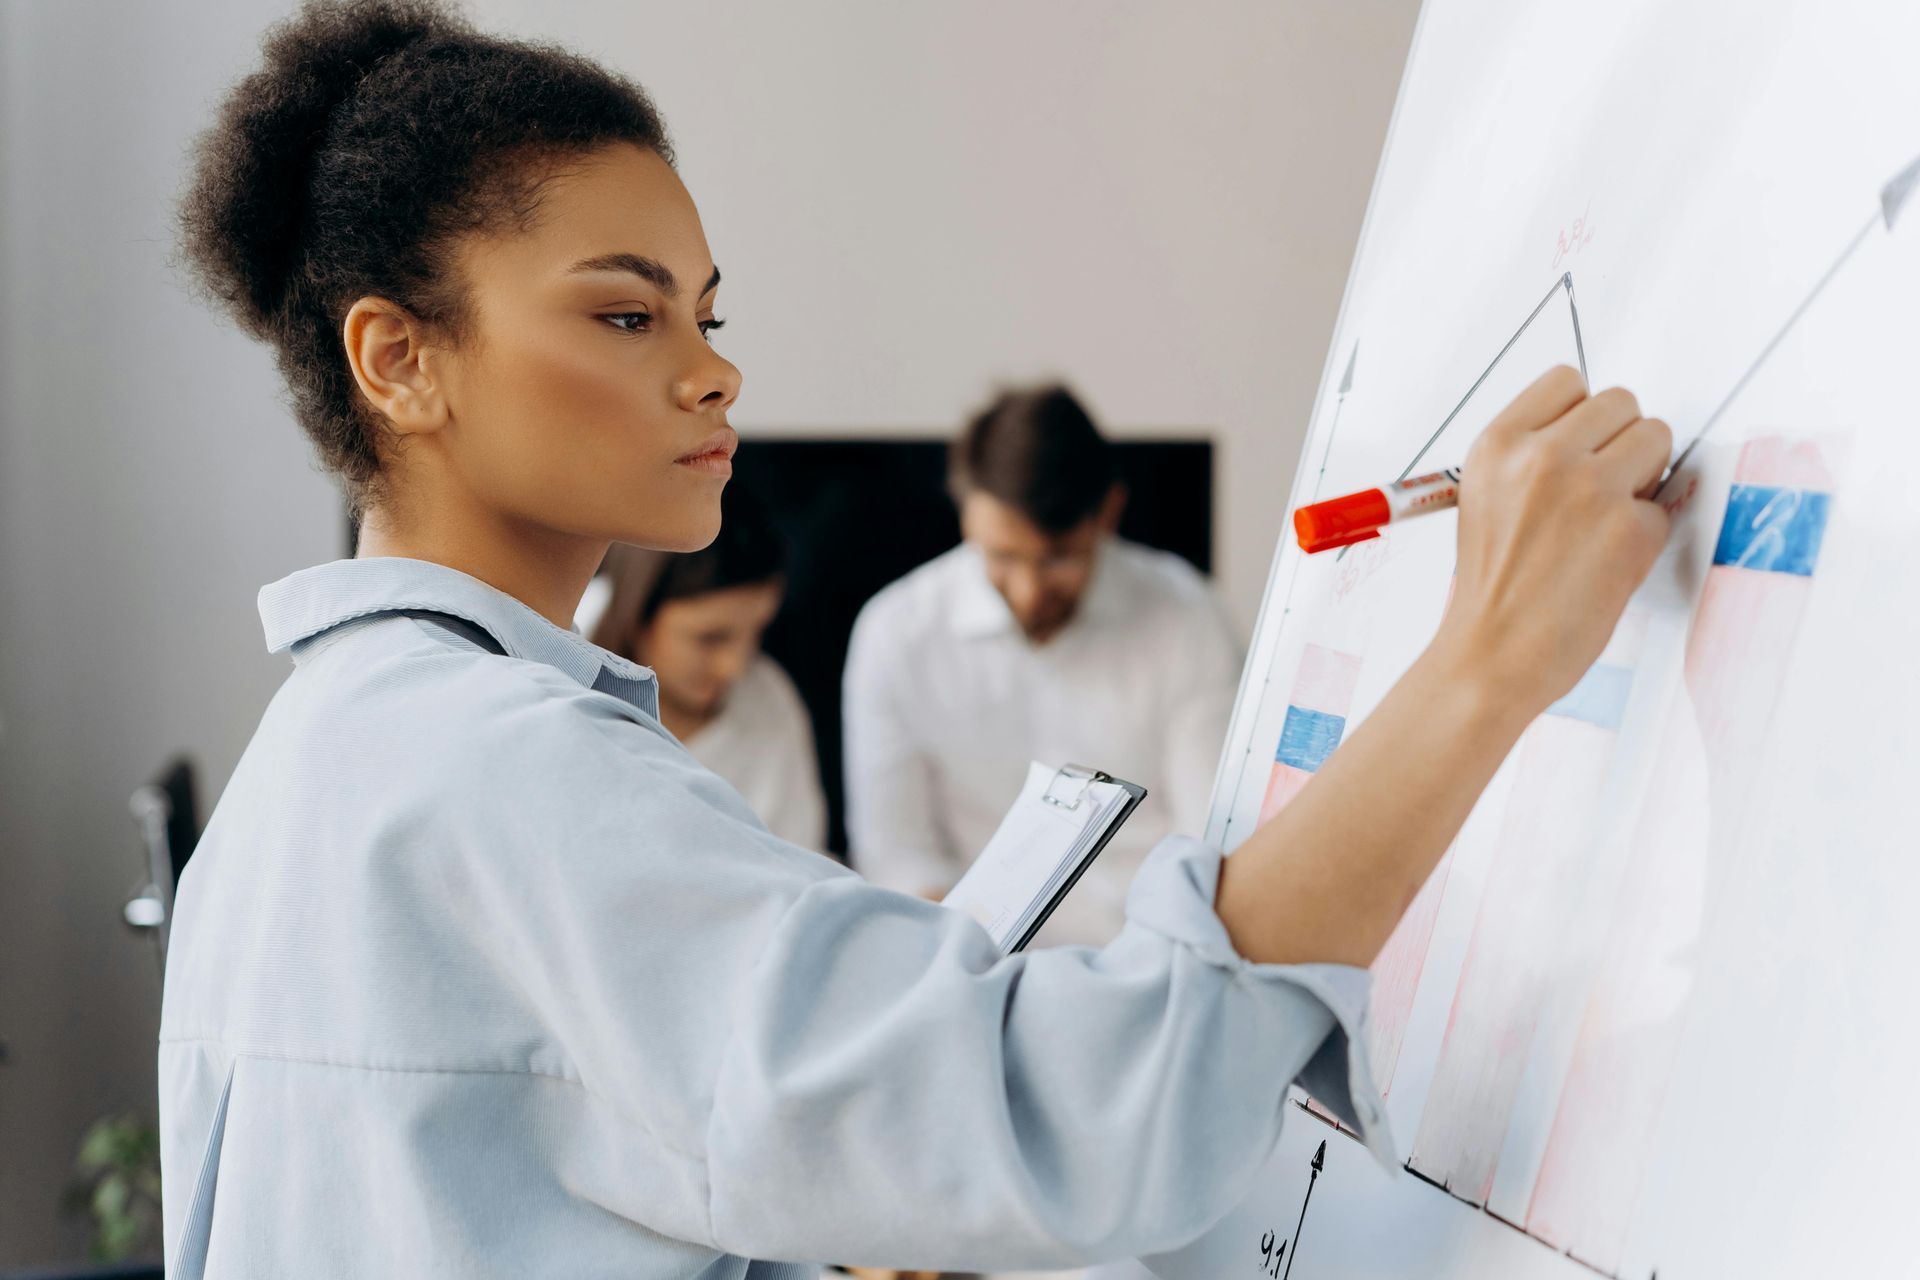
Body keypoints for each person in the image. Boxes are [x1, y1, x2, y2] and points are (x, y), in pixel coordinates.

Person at [157, 2, 1673, 1277]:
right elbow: (1091, 1114)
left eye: (708, 315)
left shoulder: (307, 774)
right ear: (399, 359)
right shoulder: (510, 777)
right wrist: (1485, 660)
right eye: (628, 319)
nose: (711, 375)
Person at [843, 385, 1241, 945]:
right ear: (967, 514)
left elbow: (1210, 834)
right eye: (1003, 556)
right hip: (972, 965)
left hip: (1151, 955)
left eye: (1057, 559)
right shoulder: (896, 633)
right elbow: (896, 855)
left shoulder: (1188, 616)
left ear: (1108, 512)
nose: (1029, 594)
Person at [588, 493, 828, 851]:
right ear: (636, 617)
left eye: (757, 632)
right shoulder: (548, 671)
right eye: (710, 639)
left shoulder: (767, 699)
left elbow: (800, 859)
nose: (734, 667)